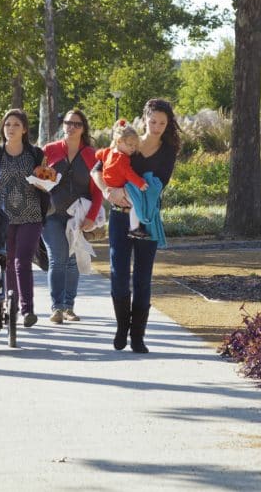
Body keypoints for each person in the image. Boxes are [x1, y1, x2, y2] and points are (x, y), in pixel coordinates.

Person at [92, 98, 180, 353]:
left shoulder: (168, 151)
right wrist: (109, 191)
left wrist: (131, 193)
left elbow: (158, 185)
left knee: (143, 276)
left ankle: (138, 335)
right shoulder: (127, 141)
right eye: (153, 121)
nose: (157, 126)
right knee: (119, 273)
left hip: (147, 219)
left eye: (162, 123)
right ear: (144, 120)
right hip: (120, 216)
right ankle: (122, 328)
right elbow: (97, 170)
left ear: (168, 124)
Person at [41, 109, 103, 324]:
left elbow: (97, 192)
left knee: (71, 261)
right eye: (68, 122)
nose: (71, 127)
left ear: (83, 128)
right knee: (57, 259)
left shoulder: (92, 155)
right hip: (51, 214)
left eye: (76, 124)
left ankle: (69, 307)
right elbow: (37, 180)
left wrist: (91, 217)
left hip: (77, 216)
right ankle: (57, 307)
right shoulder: (49, 150)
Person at [0, 109, 46, 328]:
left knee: (22, 262)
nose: (11, 129)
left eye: (16, 125)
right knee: (7, 262)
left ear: (24, 129)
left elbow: (46, 180)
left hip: (31, 214)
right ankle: (10, 307)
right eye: (7, 125)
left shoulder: (34, 153)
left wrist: (43, 182)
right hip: (3, 216)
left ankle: (27, 310)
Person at [95, 120, 150, 239]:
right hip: (119, 186)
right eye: (130, 145)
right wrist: (140, 183)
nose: (133, 148)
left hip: (111, 186)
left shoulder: (107, 152)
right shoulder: (122, 158)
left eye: (135, 146)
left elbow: (98, 155)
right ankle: (134, 228)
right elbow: (128, 173)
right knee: (136, 204)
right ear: (119, 141)